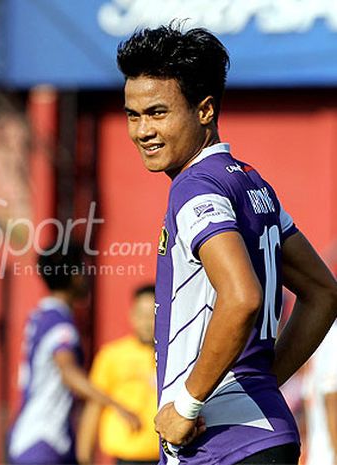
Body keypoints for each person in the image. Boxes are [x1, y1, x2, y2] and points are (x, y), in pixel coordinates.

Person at [116, 24, 337, 465]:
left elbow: (242, 297)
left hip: (219, 447)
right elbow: (323, 292)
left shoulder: (194, 187)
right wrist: (260, 385)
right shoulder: (252, 183)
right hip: (266, 434)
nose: (143, 130)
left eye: (158, 113)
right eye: (133, 115)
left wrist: (189, 403)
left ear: (205, 111)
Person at [7, 245, 140, 465]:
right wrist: (117, 406)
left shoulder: (41, 316)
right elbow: (69, 373)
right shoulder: (60, 325)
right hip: (44, 438)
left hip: (33, 436)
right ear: (74, 276)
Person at [77, 284, 159, 465]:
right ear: (132, 316)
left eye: (152, 317)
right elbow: (94, 405)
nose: (146, 323)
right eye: (141, 315)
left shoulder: (174, 356)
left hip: (164, 455)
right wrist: (84, 457)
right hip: (126, 456)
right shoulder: (112, 356)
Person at [303, 320, 337, 465]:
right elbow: (332, 401)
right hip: (328, 456)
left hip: (318, 456)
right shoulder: (333, 339)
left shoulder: (321, 338)